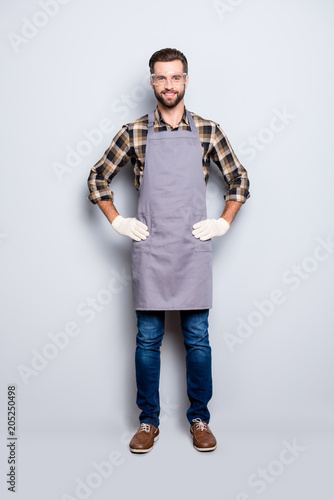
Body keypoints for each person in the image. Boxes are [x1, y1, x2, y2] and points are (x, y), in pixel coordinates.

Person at [87, 48, 250, 453]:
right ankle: (148, 422)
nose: (169, 85)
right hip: (153, 248)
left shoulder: (209, 131)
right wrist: (119, 221)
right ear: (152, 82)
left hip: (192, 247)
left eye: (176, 77)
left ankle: (199, 418)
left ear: (186, 80)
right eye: (161, 78)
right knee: (147, 339)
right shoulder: (134, 132)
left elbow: (240, 180)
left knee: (197, 338)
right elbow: (97, 178)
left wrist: (222, 221)